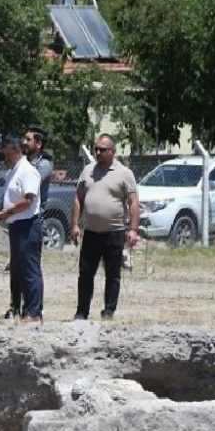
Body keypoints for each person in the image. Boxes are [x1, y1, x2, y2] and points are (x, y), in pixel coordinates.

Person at [71, 133, 139, 320]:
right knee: (85, 274)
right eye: (96, 149)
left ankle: (109, 310)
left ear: (112, 151)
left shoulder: (124, 173)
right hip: (91, 232)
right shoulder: (88, 171)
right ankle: (82, 311)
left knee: (112, 274)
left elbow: (133, 202)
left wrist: (133, 229)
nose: (98, 153)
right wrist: (75, 224)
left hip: (114, 232)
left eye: (102, 150)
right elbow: (78, 198)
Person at [0, 134, 43, 323]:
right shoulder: (12, 171)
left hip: (28, 225)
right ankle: (18, 308)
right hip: (16, 225)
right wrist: (4, 211)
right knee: (17, 270)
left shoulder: (27, 171)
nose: (5, 158)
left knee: (30, 269)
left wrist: (8, 212)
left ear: (16, 150)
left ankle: (34, 311)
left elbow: (28, 200)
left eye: (7, 154)